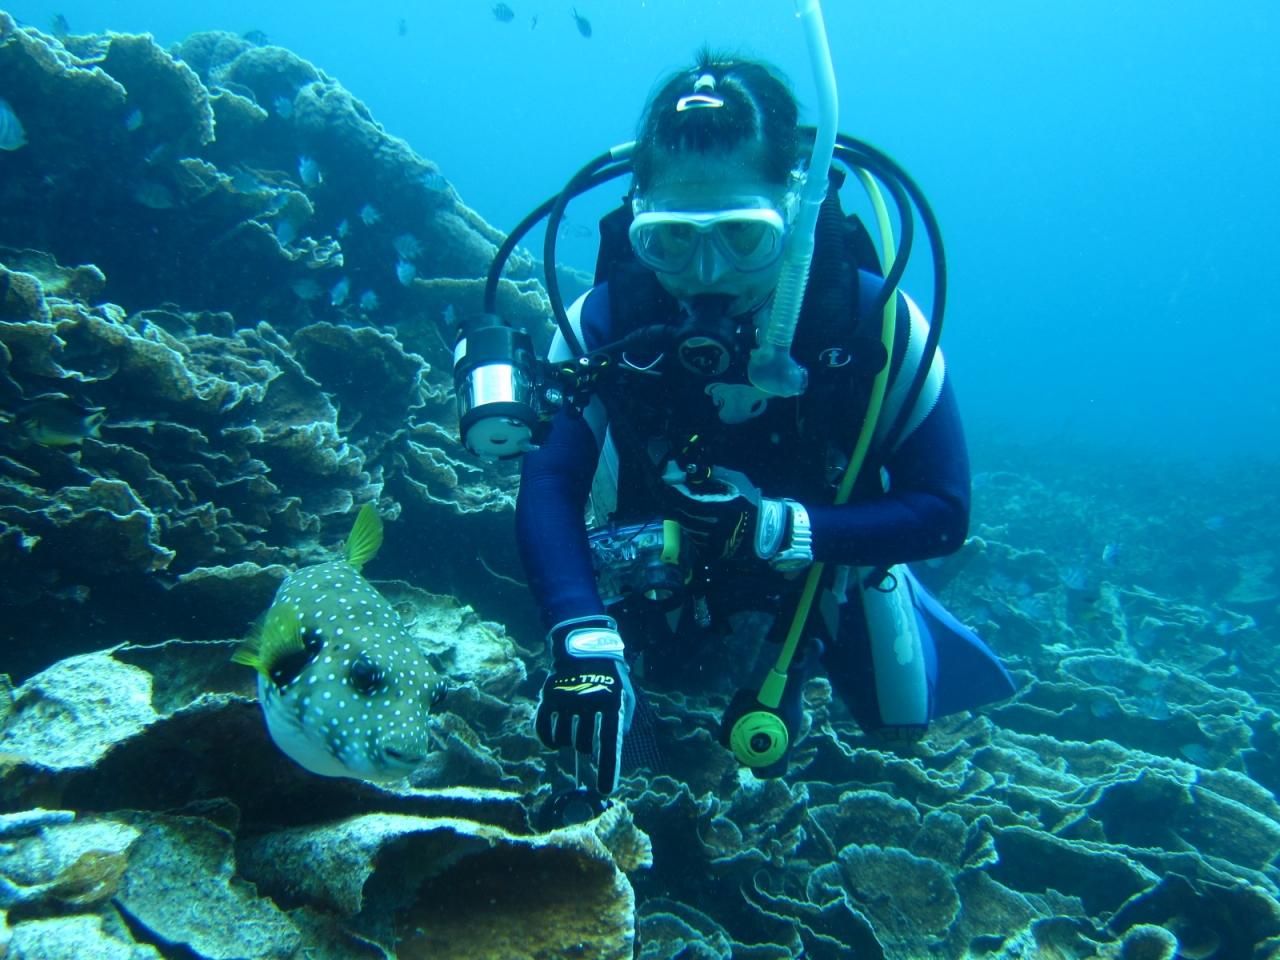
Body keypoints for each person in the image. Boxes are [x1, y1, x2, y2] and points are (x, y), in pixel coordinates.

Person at [515, 50, 1015, 796]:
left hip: (822, 557)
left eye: (744, 237)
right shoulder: (602, 323)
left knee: (898, 715)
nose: (707, 273)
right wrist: (579, 634)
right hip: (659, 543)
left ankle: (864, 613)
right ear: (637, 219)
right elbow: (549, 484)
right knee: (621, 738)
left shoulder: (876, 324)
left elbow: (943, 511)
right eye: (671, 239)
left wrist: (787, 530)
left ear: (797, 211)